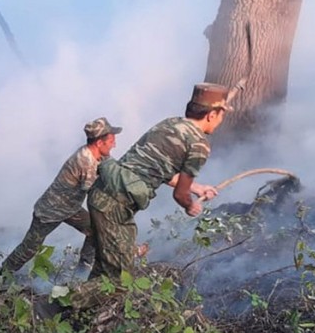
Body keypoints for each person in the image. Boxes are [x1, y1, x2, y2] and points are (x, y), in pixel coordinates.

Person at [87, 83, 231, 280]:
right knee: (120, 281)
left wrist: (196, 187)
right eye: (222, 114)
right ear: (211, 115)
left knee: (106, 269)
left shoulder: (170, 123)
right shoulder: (199, 145)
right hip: (115, 205)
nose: (221, 120)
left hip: (101, 192)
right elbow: (180, 195)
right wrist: (191, 206)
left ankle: (77, 309)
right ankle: (50, 307)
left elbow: (157, 168)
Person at [0, 117, 121, 280]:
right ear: (99, 143)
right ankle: (2, 276)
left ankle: (83, 271)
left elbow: (115, 168)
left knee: (95, 231)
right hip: (51, 210)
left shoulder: (98, 154)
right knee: (30, 247)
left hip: (70, 208)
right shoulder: (85, 160)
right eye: (111, 141)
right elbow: (94, 191)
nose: (114, 145)